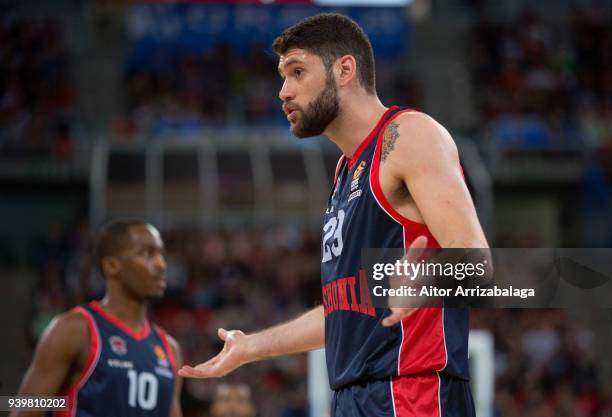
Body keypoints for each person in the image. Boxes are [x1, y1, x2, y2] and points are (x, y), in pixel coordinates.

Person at [179, 13, 488, 417]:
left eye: (297, 72)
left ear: (344, 69)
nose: (283, 92)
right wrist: (252, 347)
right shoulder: (345, 171)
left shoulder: (408, 135)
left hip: (411, 395)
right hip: (352, 399)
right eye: (282, 77)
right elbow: (345, 311)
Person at [10, 220, 183, 417]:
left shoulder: (170, 349)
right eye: (147, 253)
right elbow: (24, 407)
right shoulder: (75, 329)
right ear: (111, 265)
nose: (161, 264)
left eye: (161, 254)